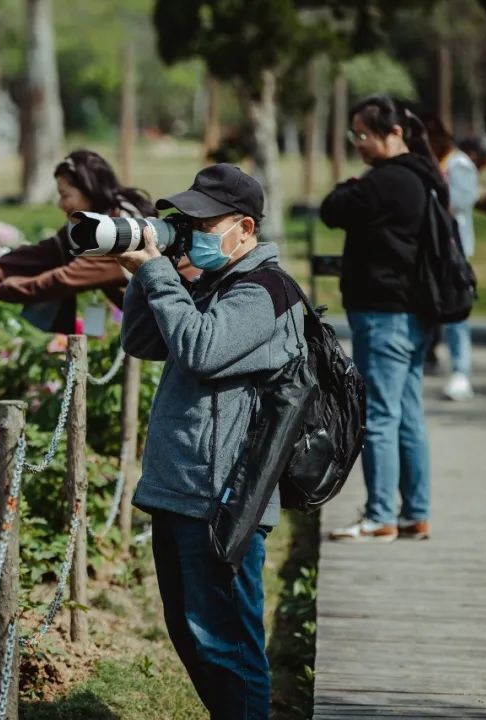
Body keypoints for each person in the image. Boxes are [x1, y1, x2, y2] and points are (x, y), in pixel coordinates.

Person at [118, 164, 305, 719]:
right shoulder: (216, 281)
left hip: (223, 498)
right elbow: (143, 340)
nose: (190, 230)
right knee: (192, 637)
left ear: (244, 227)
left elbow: (200, 350)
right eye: (183, 220)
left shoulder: (264, 292)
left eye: (204, 222)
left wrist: (160, 275)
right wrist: (147, 274)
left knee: (227, 645)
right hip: (181, 489)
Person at [321, 95, 444, 543]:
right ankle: (416, 513)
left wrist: (351, 185)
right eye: (354, 134)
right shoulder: (426, 177)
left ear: (394, 134)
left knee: (379, 415)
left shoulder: (387, 182)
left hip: (384, 314)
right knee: (408, 413)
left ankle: (379, 517)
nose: (358, 142)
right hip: (414, 315)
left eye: (364, 134)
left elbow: (331, 208)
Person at [0, 149, 163, 333]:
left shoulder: (122, 232)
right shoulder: (92, 226)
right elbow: (41, 254)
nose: (60, 204)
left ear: (89, 189)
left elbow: (62, 281)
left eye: (64, 194)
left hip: (180, 323)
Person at [423, 114, 479, 400]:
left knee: (456, 313)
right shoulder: (433, 163)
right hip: (432, 249)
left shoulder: (459, 164)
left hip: (455, 251)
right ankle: (429, 357)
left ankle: (461, 371)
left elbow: (462, 200)